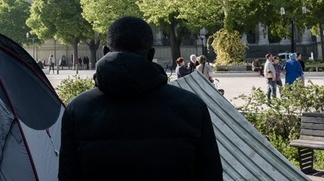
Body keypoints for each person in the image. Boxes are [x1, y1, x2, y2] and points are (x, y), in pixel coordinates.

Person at [59, 16, 222, 180]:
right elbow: (211, 174)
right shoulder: (192, 106)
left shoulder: (77, 110)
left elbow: (68, 176)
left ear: (105, 52)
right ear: (151, 54)